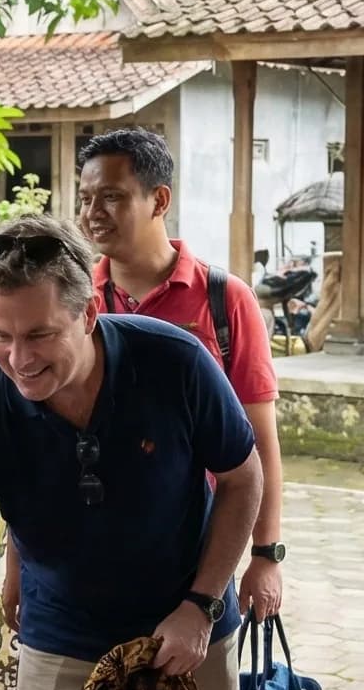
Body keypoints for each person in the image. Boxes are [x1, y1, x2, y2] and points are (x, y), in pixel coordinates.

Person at [0, 216, 262, 690]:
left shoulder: (174, 362)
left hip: (188, 626)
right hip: (60, 637)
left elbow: (243, 478)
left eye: (39, 335)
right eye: (1, 335)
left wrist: (202, 606)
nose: (19, 359)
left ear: (88, 313)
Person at [65, 127, 288, 623]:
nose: (93, 212)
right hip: (89, 543)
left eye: (112, 197)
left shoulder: (224, 300)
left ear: (159, 200)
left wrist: (265, 553)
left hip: (199, 547)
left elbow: (260, 440)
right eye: (85, 198)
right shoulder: (75, 302)